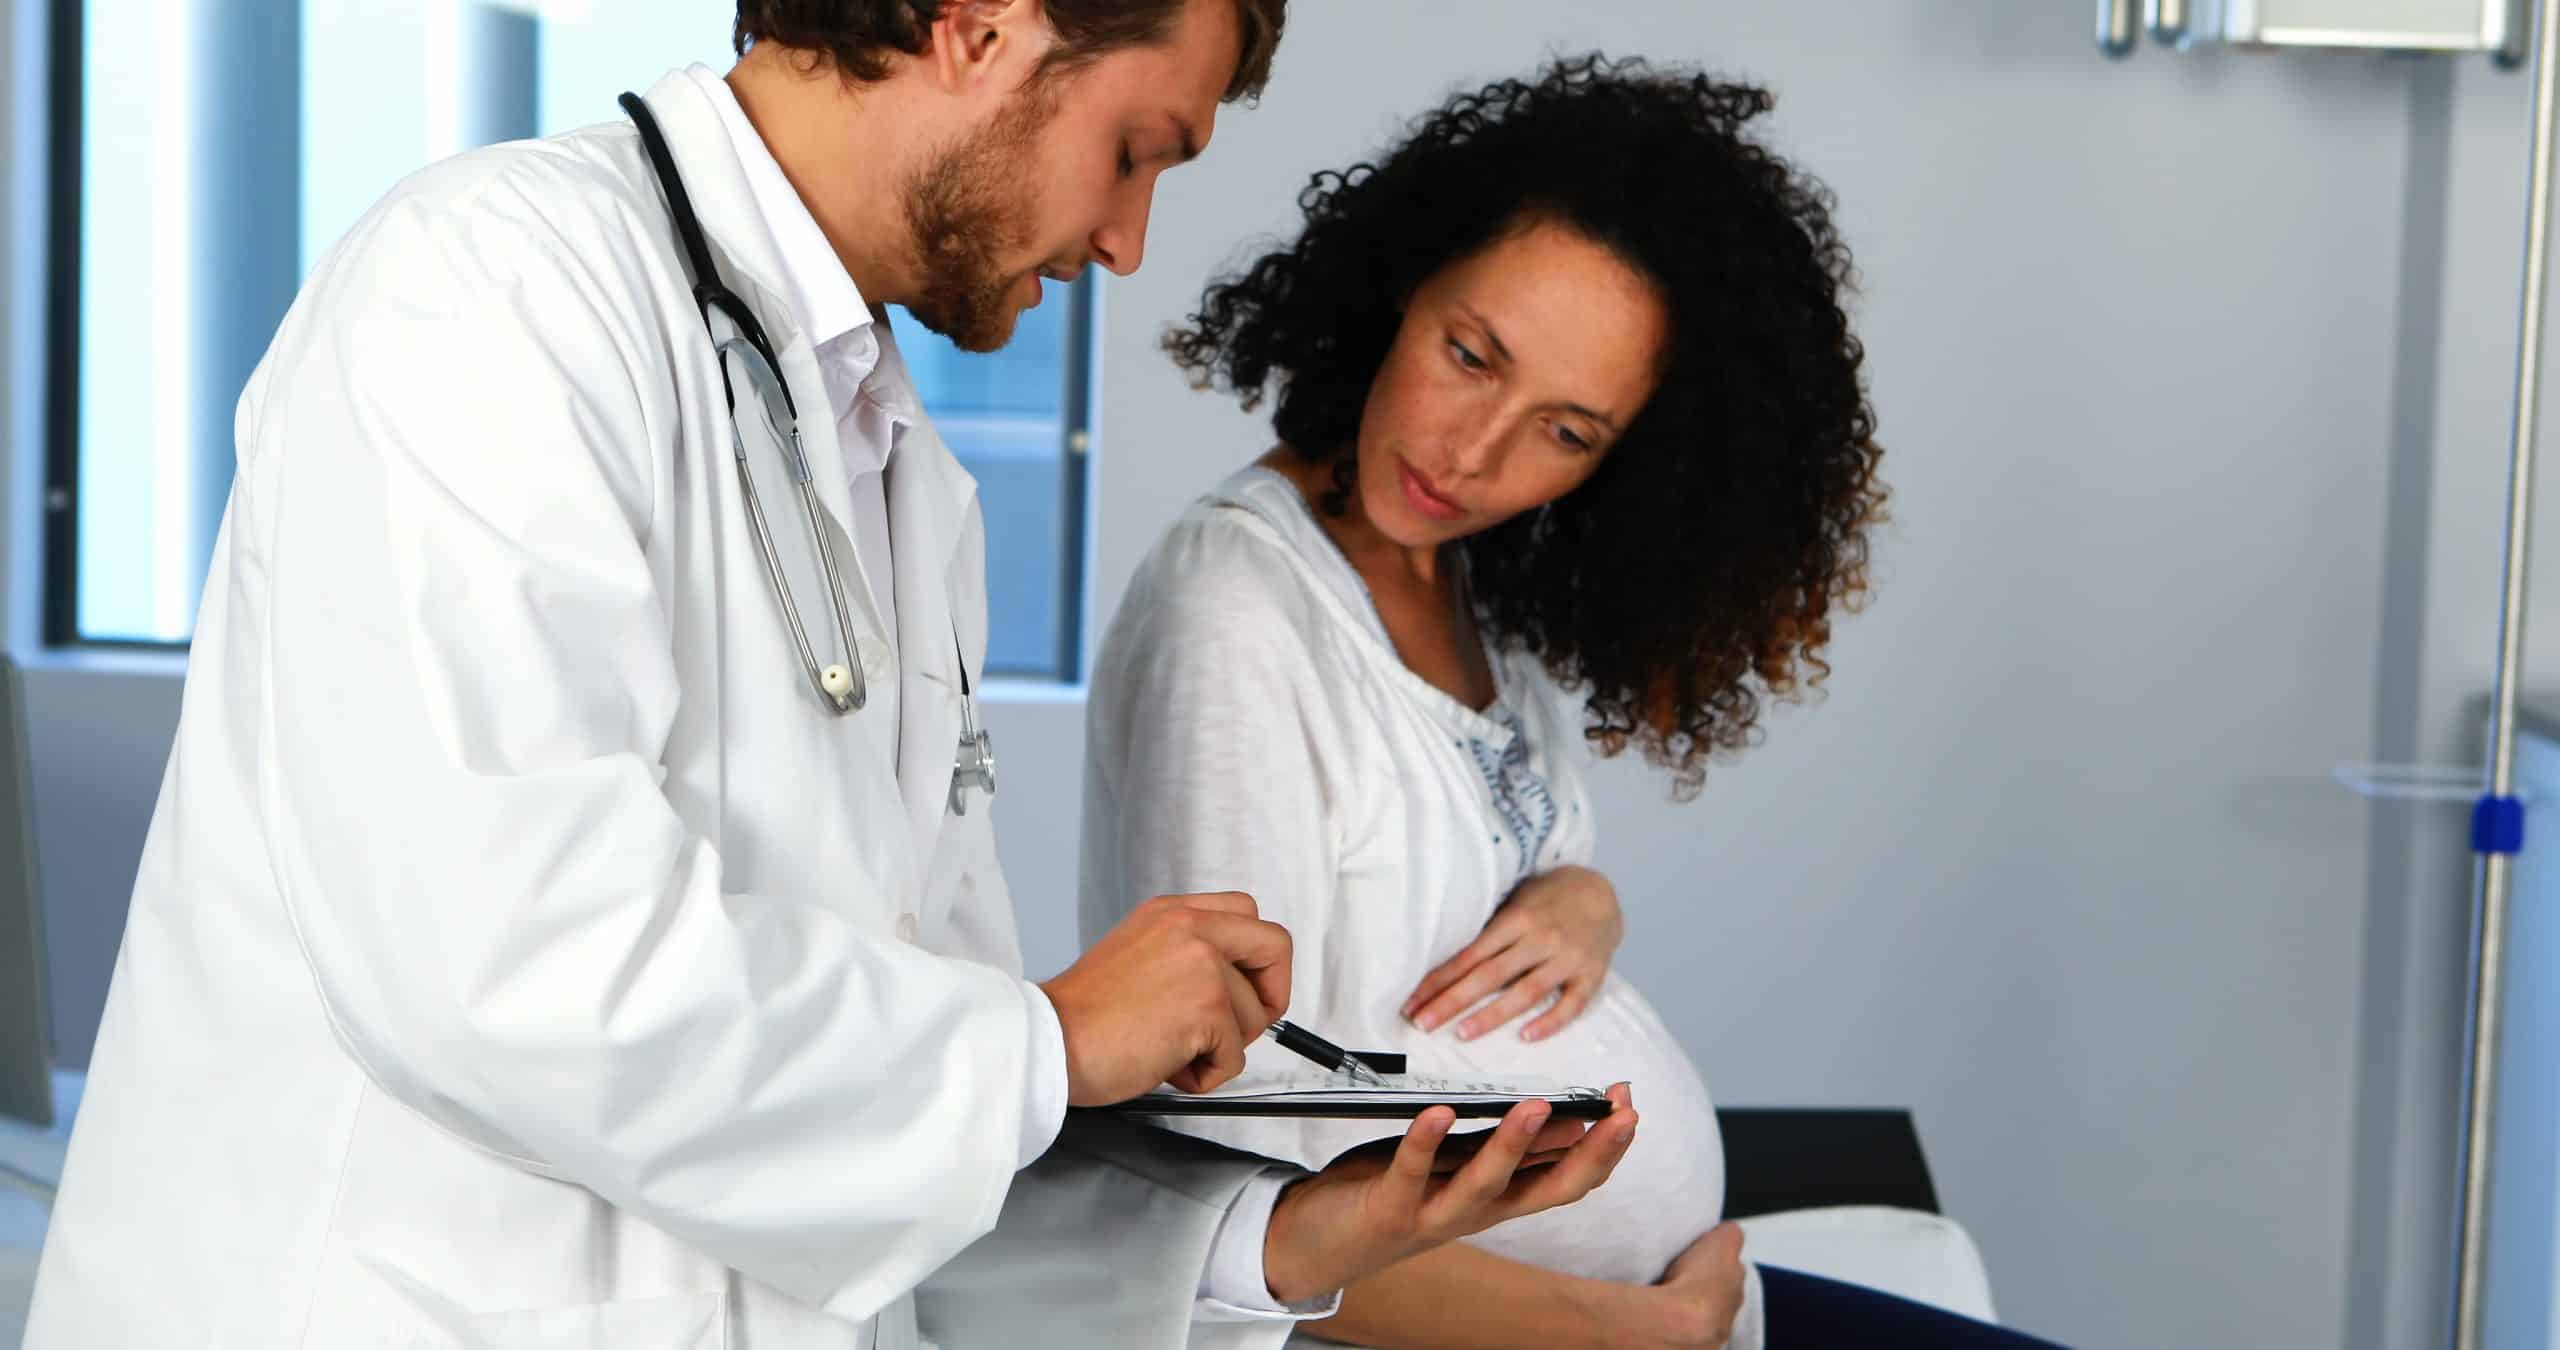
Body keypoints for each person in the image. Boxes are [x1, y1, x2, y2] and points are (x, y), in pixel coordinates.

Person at [22, 6, 1644, 1347]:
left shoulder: (887, 469)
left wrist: (1286, 1236)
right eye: (1138, 147)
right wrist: (1048, 1041)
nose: (1131, 238)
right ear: (980, 23)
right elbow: (513, 966)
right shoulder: (492, 290)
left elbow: (902, 1147)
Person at [1085, 55, 2066, 1347]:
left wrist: (1584, 903)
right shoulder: (1239, 612)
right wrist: (1632, 1331)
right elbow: (1236, 1175)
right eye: (1471, 354)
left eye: (1567, 431)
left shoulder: (1470, 585)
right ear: (1396, 290)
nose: (1473, 455)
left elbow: (1489, 882)